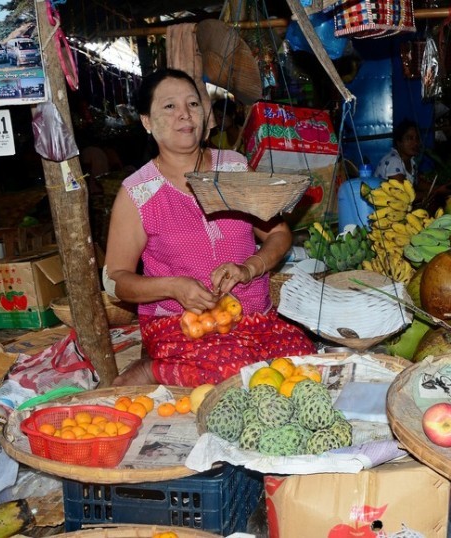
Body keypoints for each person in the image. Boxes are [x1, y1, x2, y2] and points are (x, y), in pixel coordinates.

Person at [104, 68, 315, 387]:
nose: (184, 115)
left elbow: (278, 234)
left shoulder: (234, 168)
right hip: (182, 323)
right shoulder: (138, 192)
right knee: (235, 376)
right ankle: (152, 368)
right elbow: (115, 280)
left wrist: (250, 267)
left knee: (303, 365)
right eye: (169, 107)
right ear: (147, 122)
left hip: (254, 318)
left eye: (192, 103)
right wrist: (174, 286)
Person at [374, 119, 421, 184]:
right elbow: (403, 192)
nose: (415, 143)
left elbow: (418, 185)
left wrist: (437, 189)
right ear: (399, 142)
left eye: (417, 138)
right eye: (410, 138)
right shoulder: (393, 161)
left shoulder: (412, 161)